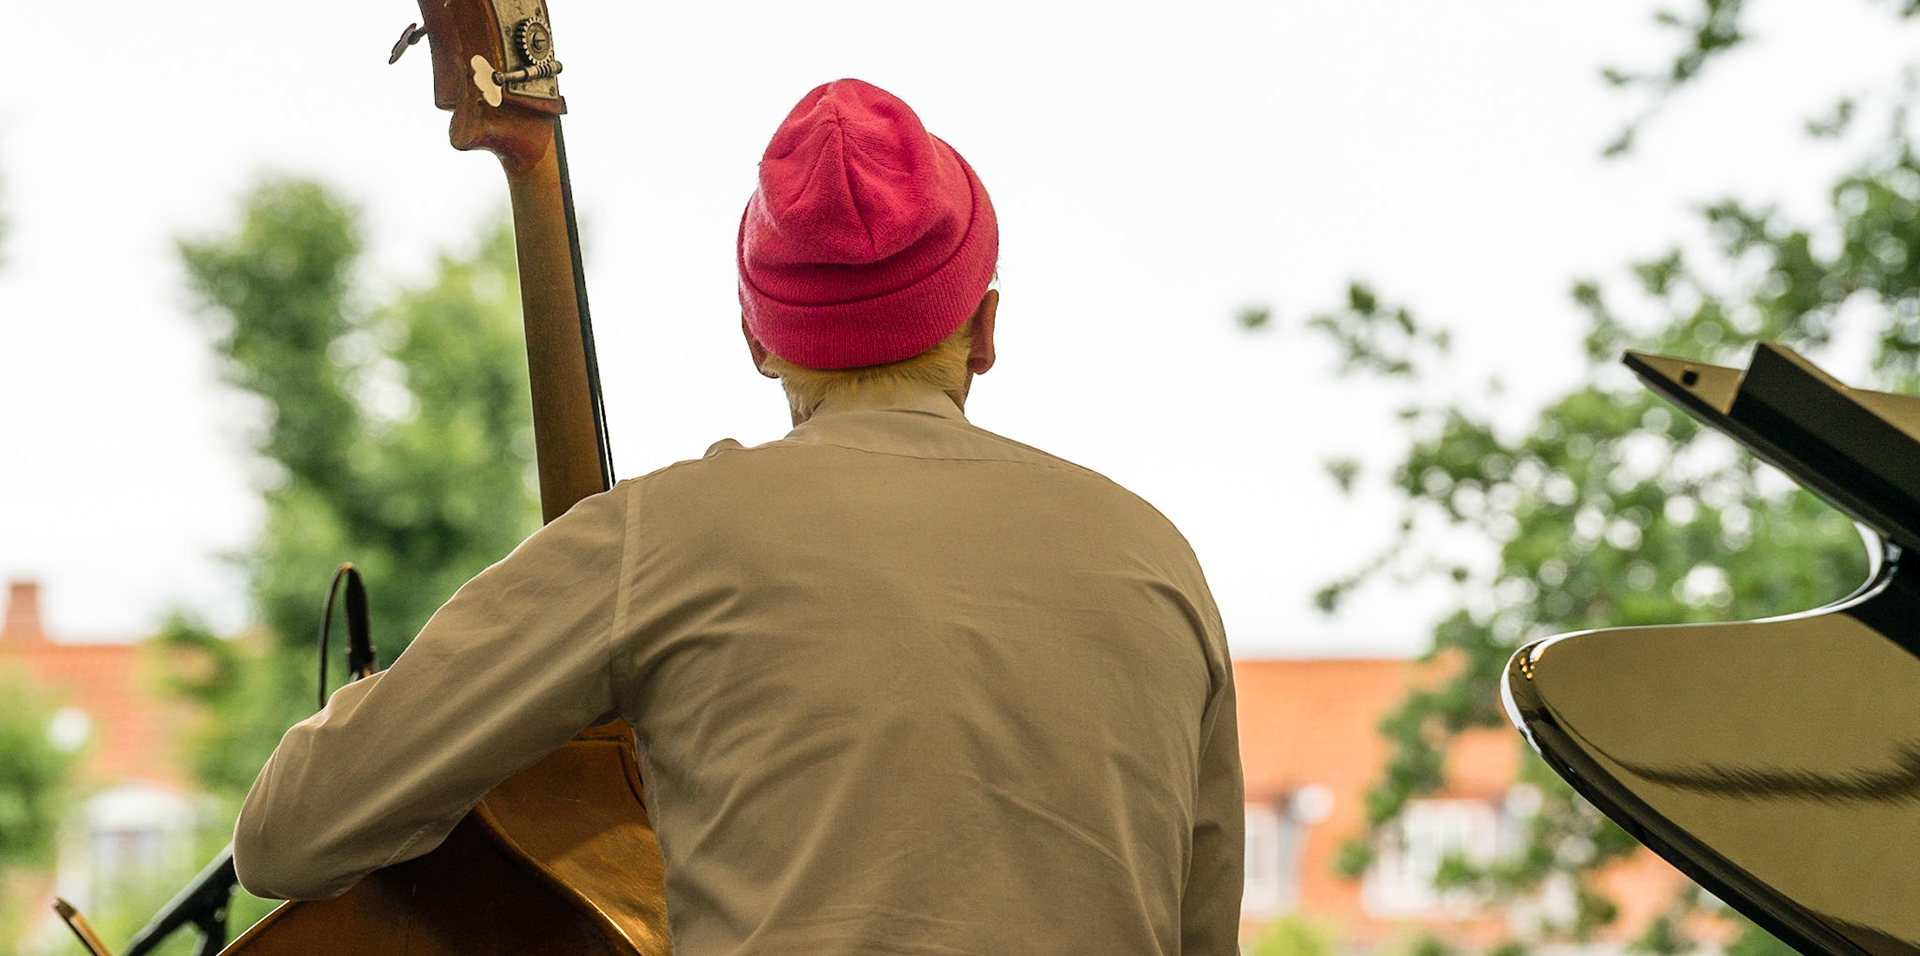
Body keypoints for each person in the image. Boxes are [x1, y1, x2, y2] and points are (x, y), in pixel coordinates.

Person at [233, 78, 1244, 954]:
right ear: (983, 326)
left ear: (760, 336)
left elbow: (287, 834)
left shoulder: (664, 538)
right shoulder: (1156, 558)